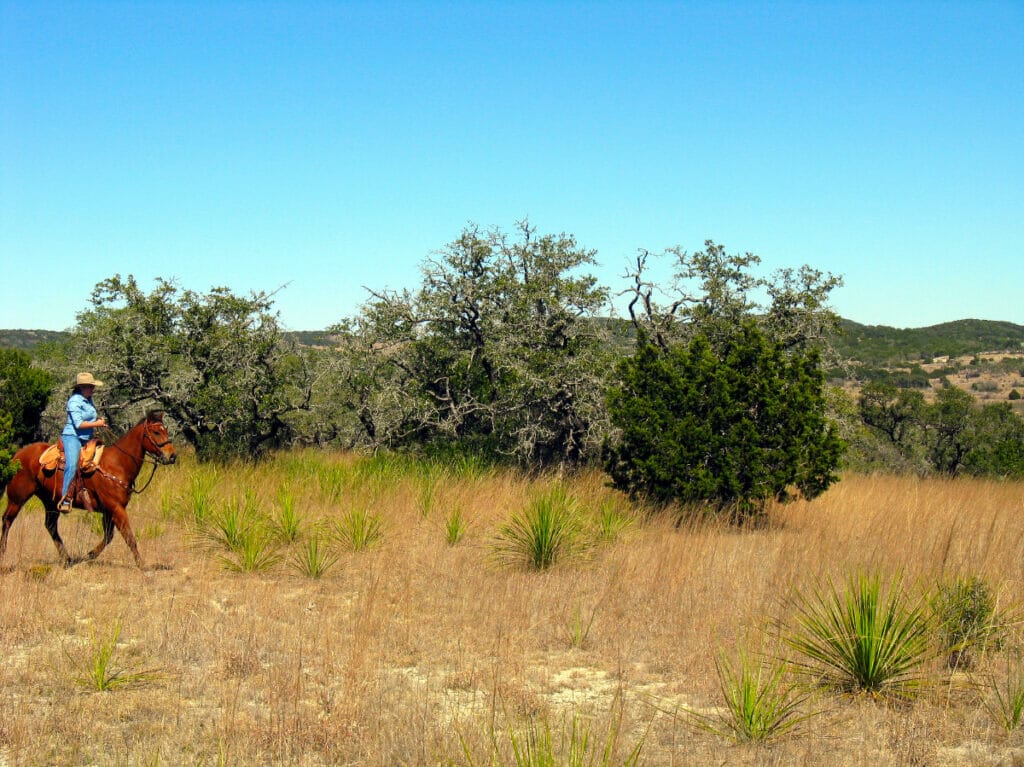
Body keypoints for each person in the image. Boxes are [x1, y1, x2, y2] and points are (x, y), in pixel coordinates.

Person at [58, 372, 107, 512]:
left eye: (93, 386)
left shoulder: (89, 399)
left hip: (87, 437)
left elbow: (90, 419)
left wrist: (99, 422)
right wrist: (97, 423)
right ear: (82, 387)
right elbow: (78, 424)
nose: (93, 389)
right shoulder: (74, 401)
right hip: (72, 437)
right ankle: (66, 498)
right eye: (90, 386)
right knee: (72, 464)